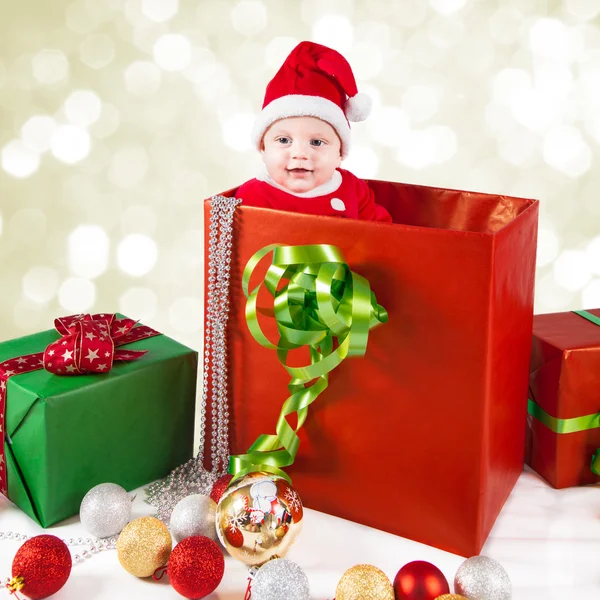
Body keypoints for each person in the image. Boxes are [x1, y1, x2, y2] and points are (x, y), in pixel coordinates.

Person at [235, 41, 392, 223]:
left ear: (339, 154)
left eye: (316, 142)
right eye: (284, 140)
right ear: (263, 148)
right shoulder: (252, 197)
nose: (300, 154)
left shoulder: (353, 190)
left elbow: (382, 235)